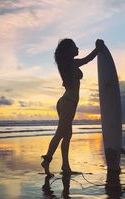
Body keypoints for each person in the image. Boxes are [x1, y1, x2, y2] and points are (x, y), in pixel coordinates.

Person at [41, 38, 105, 176]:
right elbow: (88, 59)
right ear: (69, 51)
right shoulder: (71, 64)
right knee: (60, 134)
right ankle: (47, 160)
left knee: (67, 135)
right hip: (68, 102)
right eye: (75, 46)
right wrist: (98, 48)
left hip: (66, 102)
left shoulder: (67, 65)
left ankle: (65, 166)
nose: (78, 48)